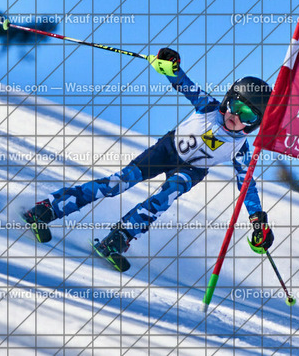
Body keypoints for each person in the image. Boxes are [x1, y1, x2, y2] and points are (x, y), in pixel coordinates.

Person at [22, 48, 274, 271]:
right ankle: (46, 209)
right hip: (167, 150)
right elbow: (184, 85)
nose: (236, 117)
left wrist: (257, 219)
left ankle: (118, 239)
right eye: (236, 107)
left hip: (192, 170)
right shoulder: (208, 107)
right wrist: (171, 67)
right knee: (118, 183)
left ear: (255, 124)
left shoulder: (240, 149)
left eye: (247, 116)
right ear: (228, 100)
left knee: (162, 200)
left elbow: (246, 185)